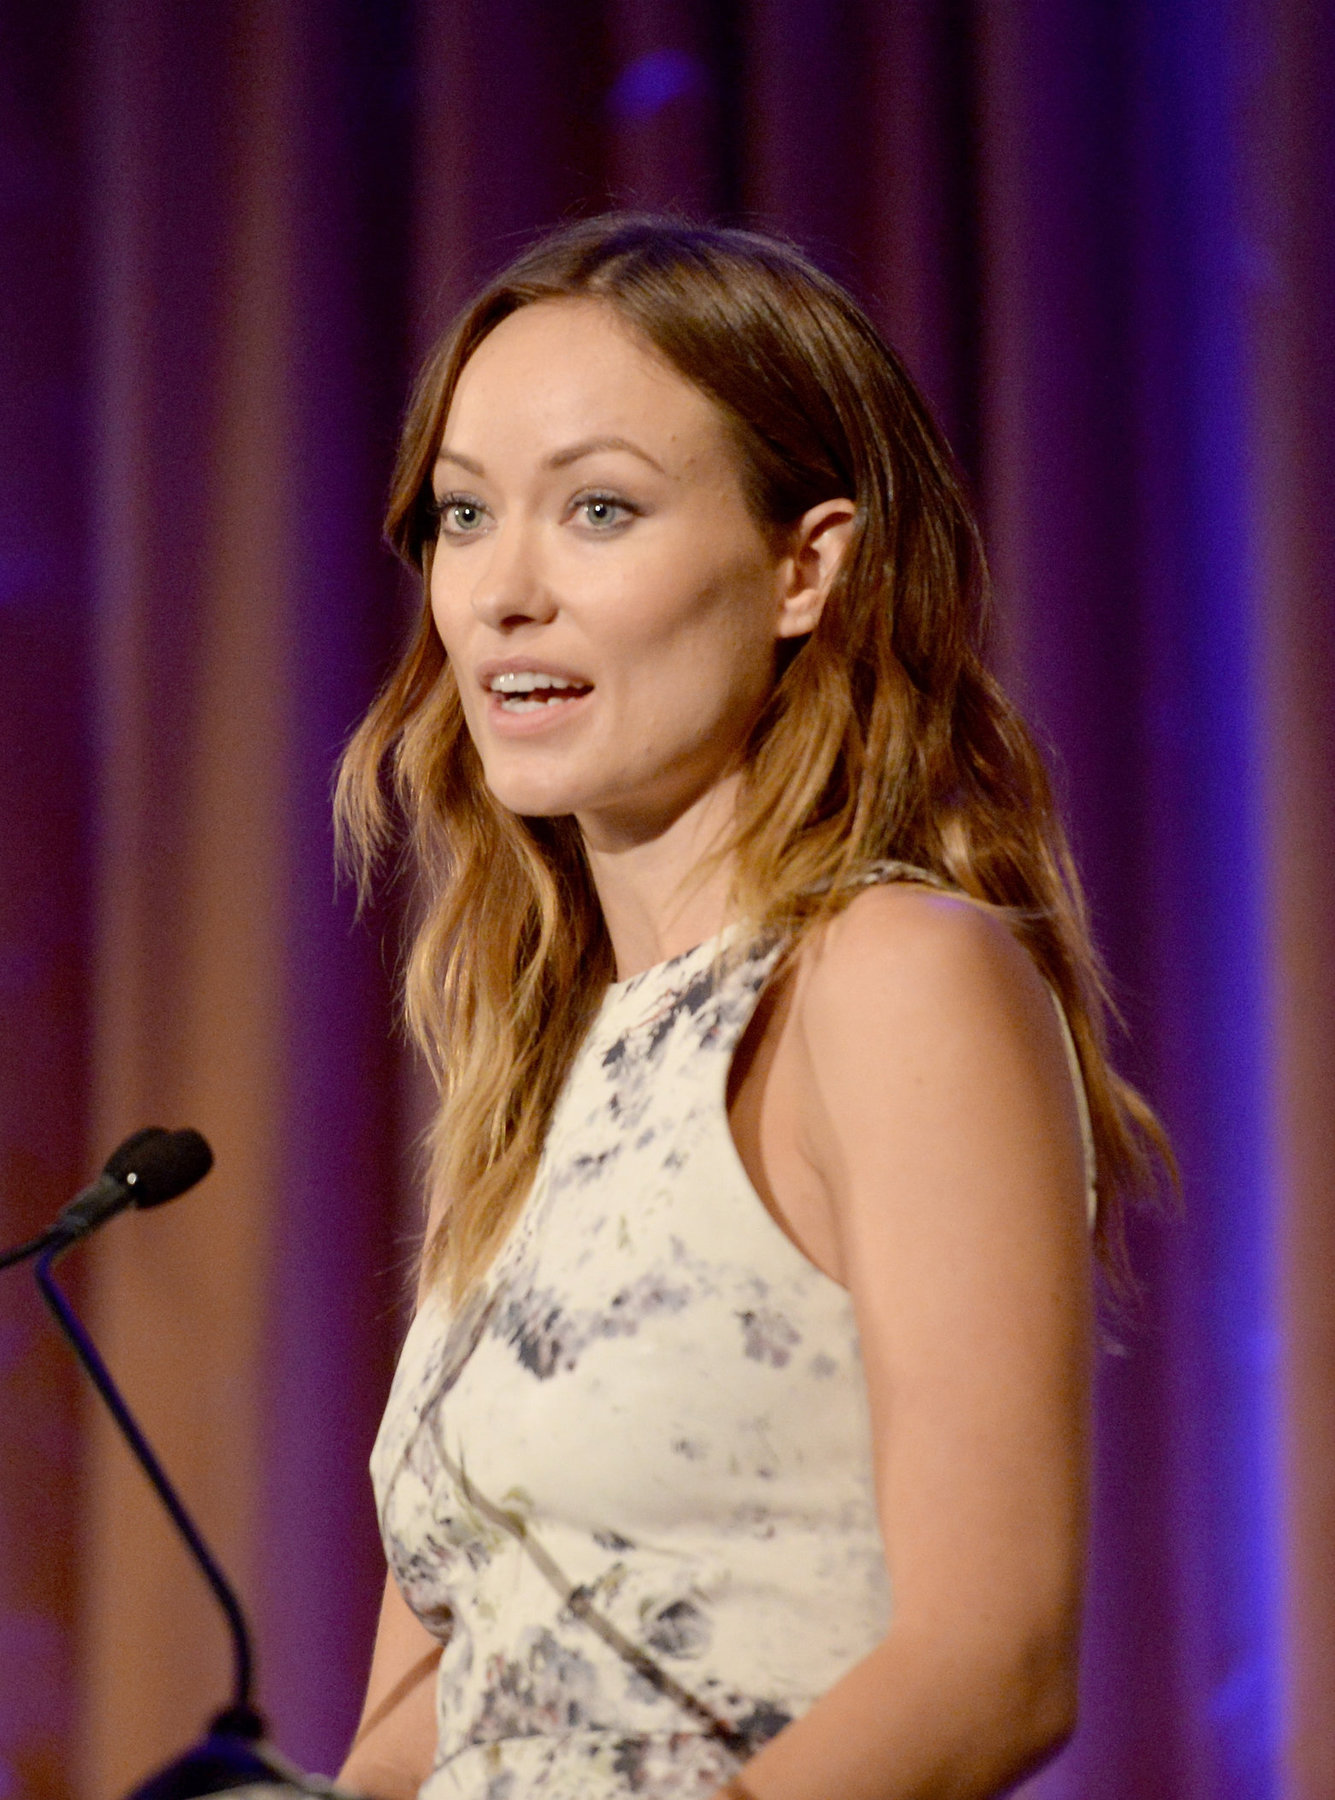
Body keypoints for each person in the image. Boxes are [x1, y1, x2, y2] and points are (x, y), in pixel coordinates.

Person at [332, 214, 1168, 1800]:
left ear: (806, 563)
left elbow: (989, 1661)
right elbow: (432, 1708)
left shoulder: (894, 974)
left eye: (598, 509)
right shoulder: (538, 1076)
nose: (503, 590)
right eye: (461, 514)